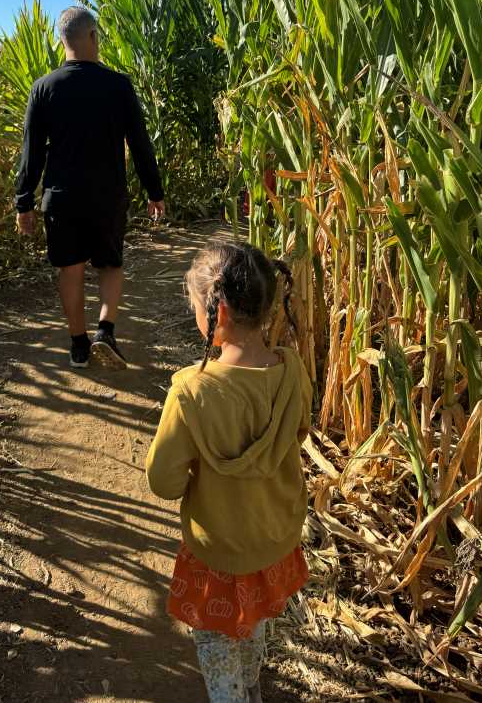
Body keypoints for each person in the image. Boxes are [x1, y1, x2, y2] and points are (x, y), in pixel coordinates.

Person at [146, 241, 312, 703]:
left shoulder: (191, 392)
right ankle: (252, 684)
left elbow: (163, 481)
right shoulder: (293, 369)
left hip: (218, 550)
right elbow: (299, 431)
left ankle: (234, 695)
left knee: (218, 641)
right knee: (255, 623)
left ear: (216, 315)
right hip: (275, 539)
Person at [15, 6, 165, 369]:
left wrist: (24, 202)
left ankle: (79, 345)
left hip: (61, 199)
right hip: (107, 196)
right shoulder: (118, 85)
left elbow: (31, 151)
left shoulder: (44, 88)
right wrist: (154, 191)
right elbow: (141, 144)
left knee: (71, 270)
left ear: (62, 40)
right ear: (93, 36)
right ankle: (106, 332)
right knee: (110, 265)